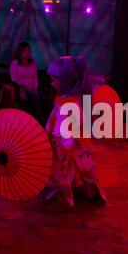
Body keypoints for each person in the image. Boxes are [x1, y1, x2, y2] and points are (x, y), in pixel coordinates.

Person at [44, 56, 106, 206]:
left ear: (65, 80)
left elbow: (68, 126)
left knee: (69, 168)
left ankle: (69, 193)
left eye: (54, 80)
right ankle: (77, 190)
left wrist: (65, 144)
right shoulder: (65, 99)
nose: (52, 84)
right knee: (71, 168)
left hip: (68, 142)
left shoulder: (70, 103)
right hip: (65, 140)